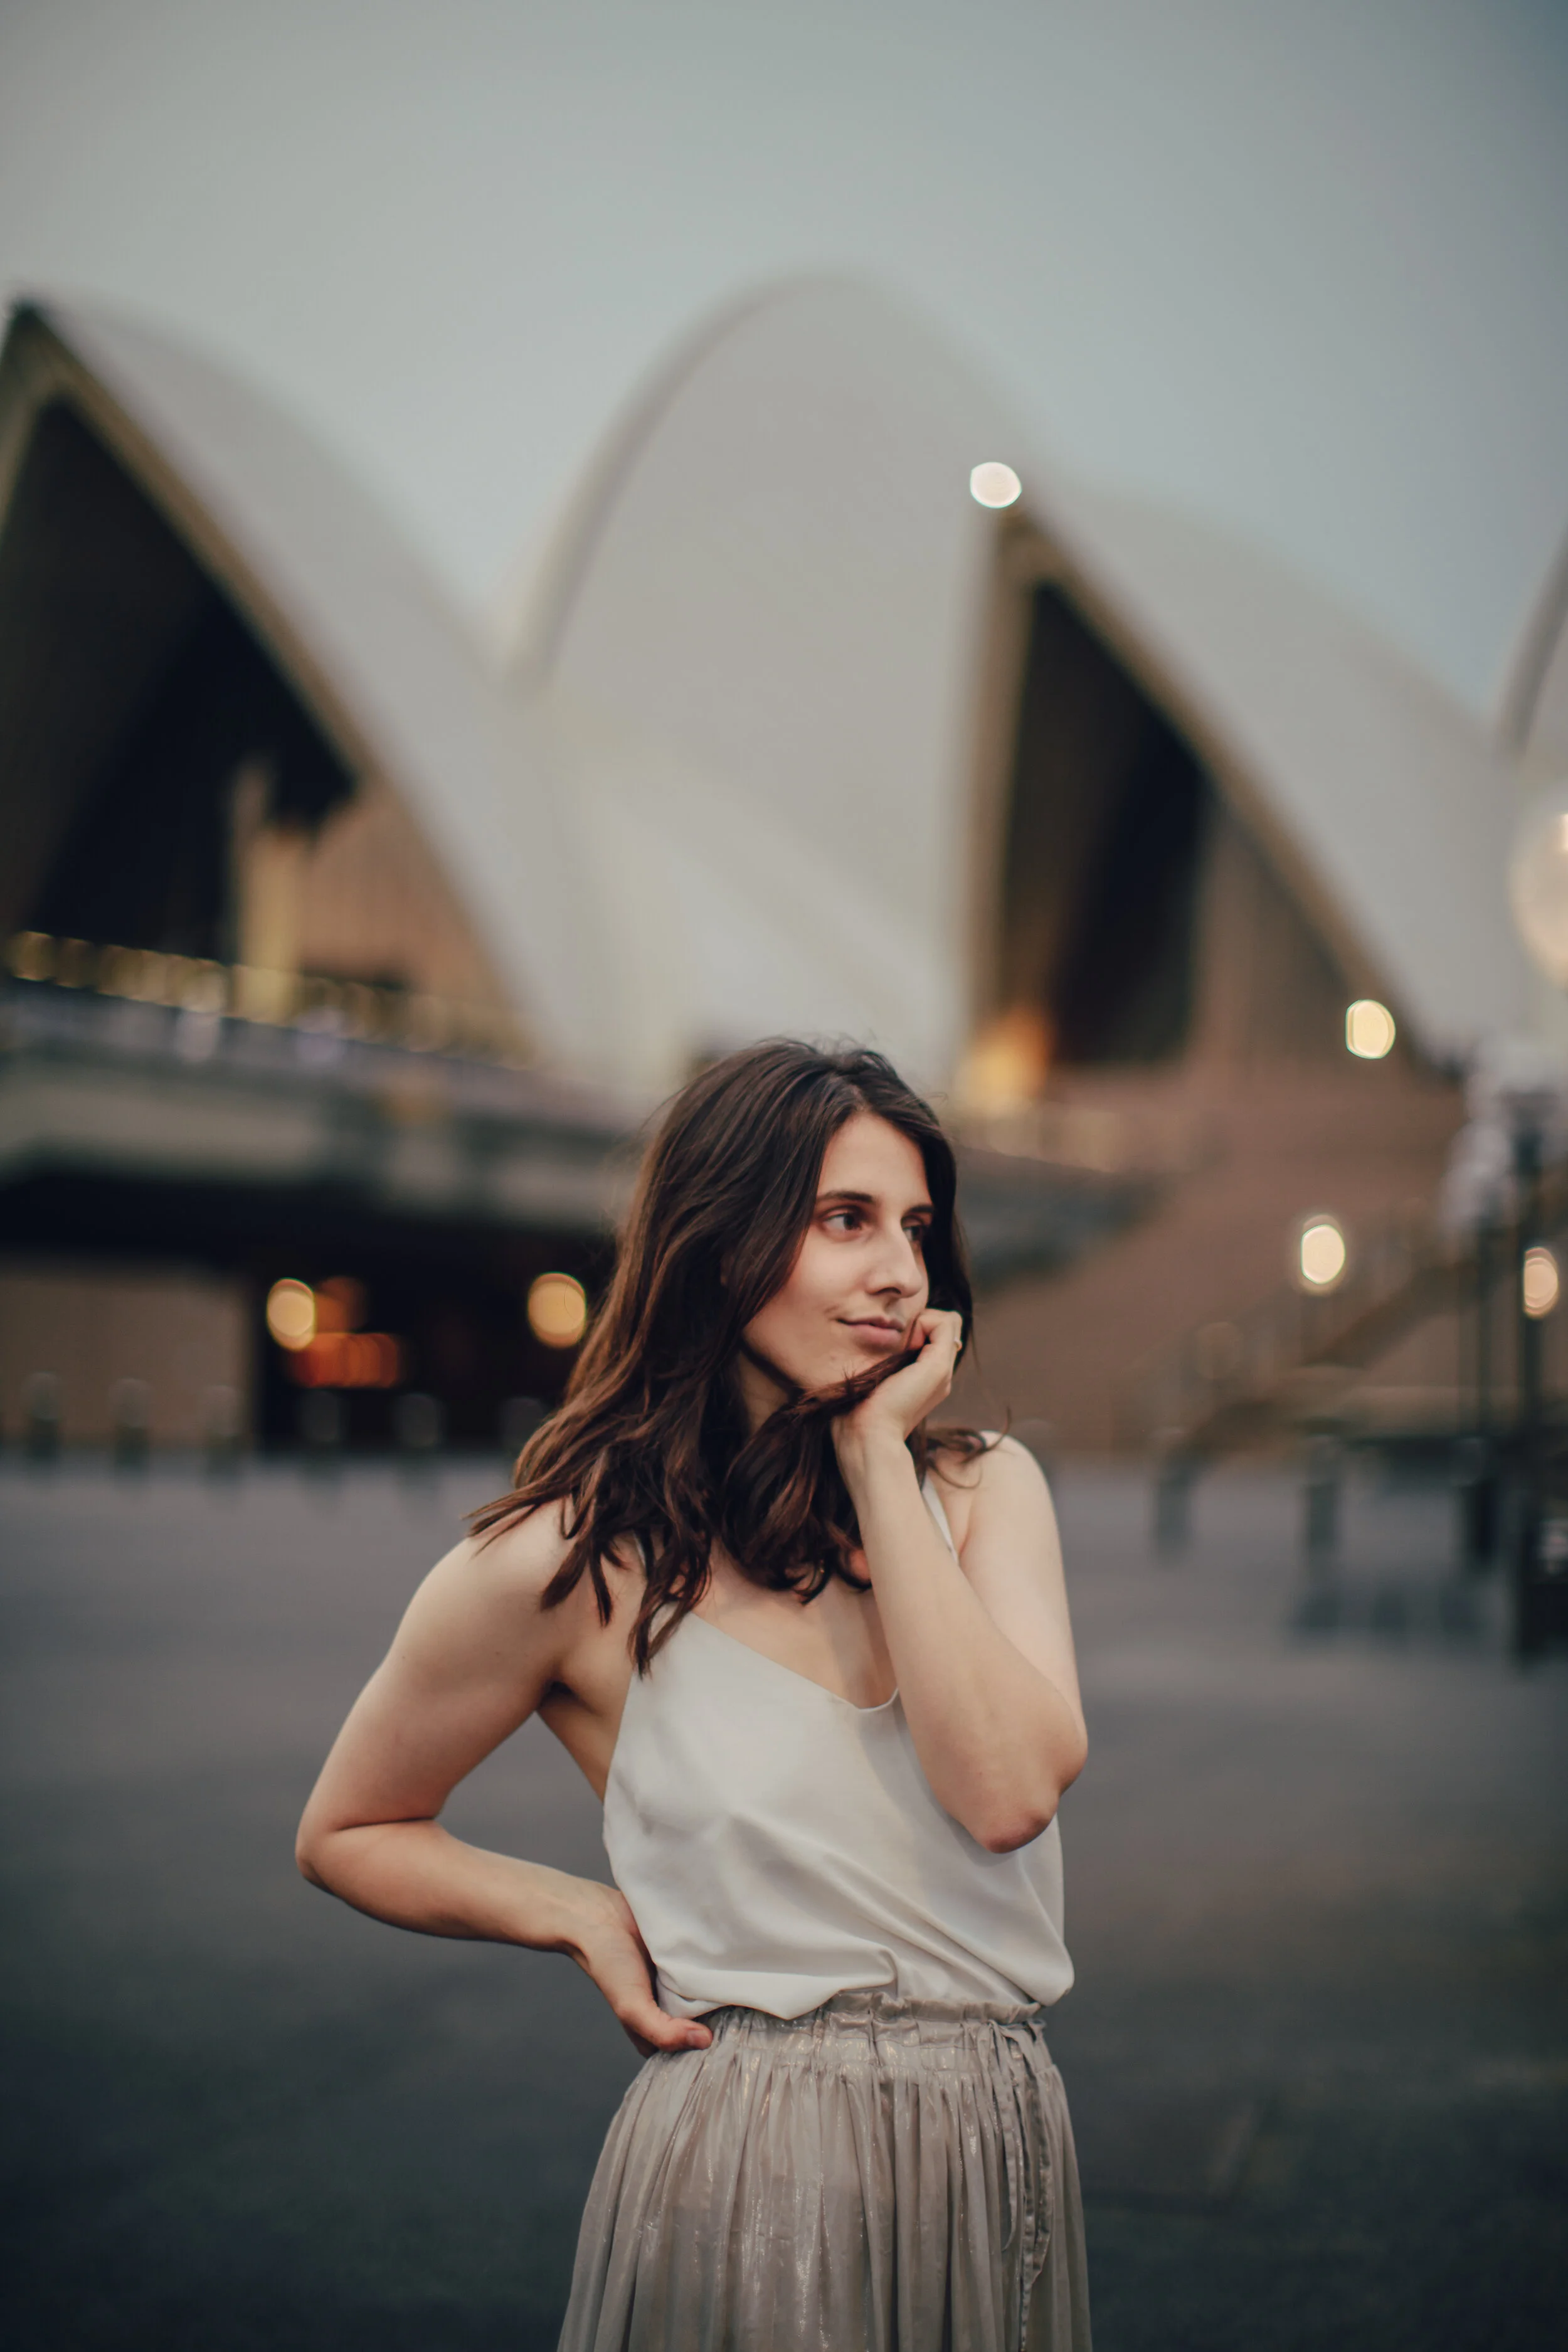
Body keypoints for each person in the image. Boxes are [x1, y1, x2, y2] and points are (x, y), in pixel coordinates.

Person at [296, 1040, 1092, 2351]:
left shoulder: (981, 1491)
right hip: (749, 2164)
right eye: (844, 1220)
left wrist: (876, 1464)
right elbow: (346, 1828)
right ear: (722, 1248)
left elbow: (1002, 1791)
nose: (898, 1272)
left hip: (993, 2147)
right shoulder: (568, 1560)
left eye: (915, 1229)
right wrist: (576, 1915)